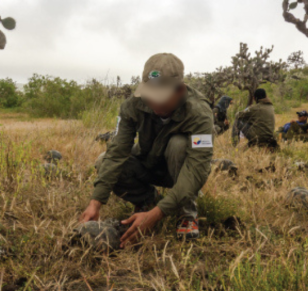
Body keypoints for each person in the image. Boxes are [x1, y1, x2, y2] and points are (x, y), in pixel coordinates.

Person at [80, 53, 214, 246]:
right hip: (147, 162)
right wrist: (96, 201)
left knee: (178, 145)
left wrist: (157, 215)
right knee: (103, 161)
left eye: (161, 96)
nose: (154, 103)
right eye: (150, 95)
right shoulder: (132, 105)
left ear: (180, 90)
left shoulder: (199, 113)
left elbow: (196, 169)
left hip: (180, 170)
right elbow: (117, 152)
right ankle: (149, 200)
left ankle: (186, 213)